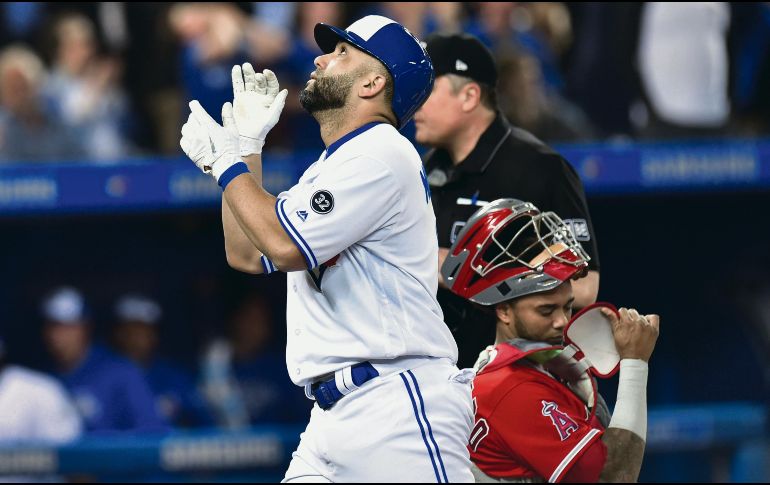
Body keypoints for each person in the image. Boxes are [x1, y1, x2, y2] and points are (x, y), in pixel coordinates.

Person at [179, 14, 474, 482]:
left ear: (374, 82)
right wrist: (248, 147)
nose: (320, 57)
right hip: (333, 418)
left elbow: (280, 243)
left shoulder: (380, 152)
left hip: (396, 407)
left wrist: (226, 164)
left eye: (342, 53)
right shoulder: (333, 165)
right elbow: (247, 253)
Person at [414, 33, 601, 368]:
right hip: (432, 377)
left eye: (428, 89)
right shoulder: (421, 170)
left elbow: (584, 286)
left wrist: (463, 269)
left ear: (469, 96)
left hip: (515, 376)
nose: (415, 102)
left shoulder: (540, 168)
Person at [440, 198, 659, 482]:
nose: (562, 321)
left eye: (567, 306)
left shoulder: (539, 369)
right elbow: (613, 478)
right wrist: (635, 363)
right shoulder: (509, 388)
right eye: (546, 310)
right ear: (504, 311)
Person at [41, 286, 167, 434]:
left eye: (69, 327)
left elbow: (152, 432)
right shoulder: (41, 380)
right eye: (54, 326)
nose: (59, 336)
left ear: (85, 328)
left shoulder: (120, 373)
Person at [111, 293, 214, 428]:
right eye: (132, 329)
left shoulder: (175, 377)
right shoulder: (103, 375)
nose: (138, 337)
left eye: (145, 330)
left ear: (155, 335)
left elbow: (205, 425)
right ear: (118, 333)